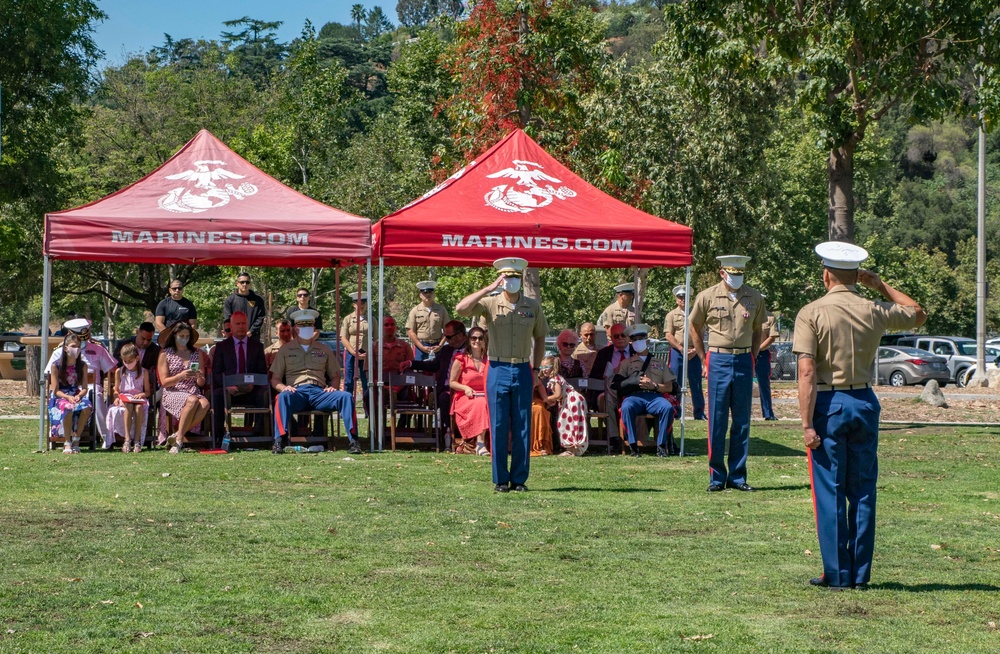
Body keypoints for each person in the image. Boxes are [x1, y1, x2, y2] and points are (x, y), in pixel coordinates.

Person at [794, 241, 925, 590]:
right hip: (865, 401)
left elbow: (806, 372)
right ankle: (861, 575)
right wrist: (879, 285)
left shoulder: (812, 312)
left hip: (828, 402)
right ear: (857, 276)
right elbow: (918, 313)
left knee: (830, 490)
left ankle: (837, 574)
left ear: (825, 276)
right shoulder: (875, 309)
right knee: (863, 490)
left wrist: (806, 423)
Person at [457, 257, 548, 493]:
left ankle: (519, 479)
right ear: (501, 279)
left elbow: (540, 338)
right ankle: (500, 479)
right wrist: (488, 288)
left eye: (516, 277)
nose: (512, 282)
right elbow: (461, 308)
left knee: (522, 425)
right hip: (497, 368)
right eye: (508, 277)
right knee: (497, 424)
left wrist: (536, 369)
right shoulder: (489, 303)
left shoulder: (532, 306)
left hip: (522, 367)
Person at [690, 254, 766, 492]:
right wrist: (703, 358)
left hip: (743, 359)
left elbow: (758, 330)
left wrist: (752, 356)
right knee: (717, 420)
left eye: (740, 274)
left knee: (742, 421)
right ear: (722, 273)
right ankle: (716, 476)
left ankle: (738, 476)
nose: (737, 278)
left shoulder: (754, 297)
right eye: (733, 274)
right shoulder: (707, 296)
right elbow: (694, 326)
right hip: (718, 358)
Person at [271, 309, 360, 455]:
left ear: (314, 328)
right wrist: (283, 387)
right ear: (296, 328)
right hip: (297, 392)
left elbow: (335, 375)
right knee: (281, 397)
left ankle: (354, 441)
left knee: (346, 397)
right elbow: (275, 378)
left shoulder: (324, 349)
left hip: (319, 392)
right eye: (303, 326)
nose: (307, 329)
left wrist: (333, 387)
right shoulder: (285, 350)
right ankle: (279, 441)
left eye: (309, 325)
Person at [46, 318, 118, 449]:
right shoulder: (58, 352)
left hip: (90, 387)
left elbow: (112, 369)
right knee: (62, 401)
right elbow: (49, 375)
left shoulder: (98, 348)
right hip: (63, 391)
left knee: (96, 395)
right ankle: (60, 435)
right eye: (75, 344)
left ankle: (105, 436)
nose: (78, 347)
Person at [615, 324, 679, 458]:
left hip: (654, 396)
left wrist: (654, 385)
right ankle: (633, 445)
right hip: (634, 396)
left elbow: (669, 387)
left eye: (641, 338)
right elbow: (618, 385)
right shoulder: (626, 363)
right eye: (635, 339)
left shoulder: (660, 363)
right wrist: (633, 382)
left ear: (647, 340)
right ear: (631, 343)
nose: (638, 342)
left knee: (667, 408)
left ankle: (661, 446)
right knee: (626, 407)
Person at [406, 320, 468, 443]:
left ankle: (467, 435)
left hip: (467, 389)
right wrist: (410, 363)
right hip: (446, 390)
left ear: (460, 335)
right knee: (444, 398)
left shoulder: (472, 349)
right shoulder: (446, 351)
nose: (446, 339)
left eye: (448, 337)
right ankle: (449, 432)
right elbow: (433, 365)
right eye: (445, 336)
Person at [211, 311, 268, 443]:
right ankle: (219, 436)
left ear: (248, 325)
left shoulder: (257, 347)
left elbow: (262, 372)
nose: (241, 326)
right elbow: (216, 373)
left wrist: (253, 384)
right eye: (237, 324)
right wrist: (227, 385)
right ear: (231, 326)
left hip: (251, 389)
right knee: (217, 395)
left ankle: (259, 435)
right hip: (229, 390)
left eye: (243, 323)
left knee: (263, 394)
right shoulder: (222, 347)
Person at [157, 322, 209, 454]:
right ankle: (180, 440)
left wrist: (199, 376)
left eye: (187, 336)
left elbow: (201, 382)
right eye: (181, 335)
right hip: (173, 391)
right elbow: (164, 382)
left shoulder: (197, 353)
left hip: (192, 389)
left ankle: (177, 434)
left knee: (205, 403)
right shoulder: (165, 354)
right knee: (192, 400)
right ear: (174, 335)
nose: (184, 338)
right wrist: (180, 376)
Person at [587, 322, 633, 452]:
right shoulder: (603, 354)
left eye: (623, 335)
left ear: (628, 336)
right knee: (605, 399)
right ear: (611, 338)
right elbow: (594, 376)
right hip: (607, 391)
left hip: (631, 390)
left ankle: (633, 436)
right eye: (616, 336)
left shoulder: (637, 352)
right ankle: (614, 438)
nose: (620, 338)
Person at [663, 285, 706, 421]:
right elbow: (668, 335)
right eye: (680, 297)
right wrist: (681, 349)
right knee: (675, 382)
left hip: (694, 352)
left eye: (685, 297)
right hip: (678, 352)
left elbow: (701, 333)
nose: (683, 300)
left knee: (696, 383)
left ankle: (699, 413)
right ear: (676, 300)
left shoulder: (696, 314)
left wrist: (695, 350)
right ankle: (676, 410)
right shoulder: (671, 315)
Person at [448, 326, 490, 455]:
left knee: (490, 403)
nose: (477, 341)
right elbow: (452, 382)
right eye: (473, 338)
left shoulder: (489, 360)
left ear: (484, 340)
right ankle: (480, 443)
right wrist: (465, 387)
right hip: (465, 397)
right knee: (481, 403)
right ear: (468, 340)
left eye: (480, 338)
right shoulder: (461, 359)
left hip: (485, 395)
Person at [48, 333, 93, 453]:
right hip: (61, 396)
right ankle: (67, 441)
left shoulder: (82, 365)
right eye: (73, 346)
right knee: (67, 407)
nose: (76, 349)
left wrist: (79, 396)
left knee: (87, 406)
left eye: (78, 346)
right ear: (66, 348)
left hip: (76, 394)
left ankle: (76, 439)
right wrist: (67, 397)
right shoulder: (56, 366)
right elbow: (55, 390)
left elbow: (84, 388)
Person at [538, 355, 589, 457]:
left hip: (572, 400)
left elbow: (558, 394)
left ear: (553, 367)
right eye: (542, 367)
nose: (544, 370)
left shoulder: (555, 379)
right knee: (570, 422)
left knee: (567, 422)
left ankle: (573, 448)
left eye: (546, 367)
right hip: (570, 400)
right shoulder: (554, 378)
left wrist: (546, 399)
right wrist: (551, 402)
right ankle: (572, 448)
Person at [106, 344, 150, 453]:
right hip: (125, 398)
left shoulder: (144, 372)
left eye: (130, 361)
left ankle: (137, 440)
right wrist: (116, 397)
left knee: (139, 408)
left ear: (137, 358)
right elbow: (116, 389)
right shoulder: (119, 371)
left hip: (139, 398)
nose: (127, 364)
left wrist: (142, 395)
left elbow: (148, 392)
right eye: (125, 361)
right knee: (128, 406)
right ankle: (127, 438)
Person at [340, 290, 370, 417]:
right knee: (348, 382)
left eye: (363, 302)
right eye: (358, 303)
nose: (361, 305)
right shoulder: (348, 319)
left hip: (366, 354)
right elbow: (343, 338)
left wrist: (368, 353)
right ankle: (346, 410)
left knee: (367, 382)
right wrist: (353, 352)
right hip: (351, 353)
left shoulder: (372, 319)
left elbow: (377, 338)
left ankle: (368, 409)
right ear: (353, 304)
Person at [406, 280, 450, 362]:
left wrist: (440, 345)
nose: (428, 295)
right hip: (421, 346)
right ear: (420, 295)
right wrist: (421, 347)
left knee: (437, 371)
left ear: (434, 294)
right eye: (425, 293)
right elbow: (410, 331)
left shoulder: (441, 310)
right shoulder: (415, 311)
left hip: (437, 346)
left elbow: (447, 330)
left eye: (430, 292)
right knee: (420, 371)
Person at [223, 272, 266, 340]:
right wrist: (232, 333)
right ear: (237, 283)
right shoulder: (230, 300)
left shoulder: (258, 300)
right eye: (242, 282)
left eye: (247, 282)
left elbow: (260, 318)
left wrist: (250, 332)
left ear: (250, 284)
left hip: (253, 338)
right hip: (235, 338)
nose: (244, 284)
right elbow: (227, 319)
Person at [757, 301, 780, 420]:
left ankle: (768, 413)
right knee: (740, 384)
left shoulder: (770, 317)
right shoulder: (747, 314)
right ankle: (740, 414)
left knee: (764, 384)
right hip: (744, 353)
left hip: (762, 354)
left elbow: (772, 336)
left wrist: (759, 348)